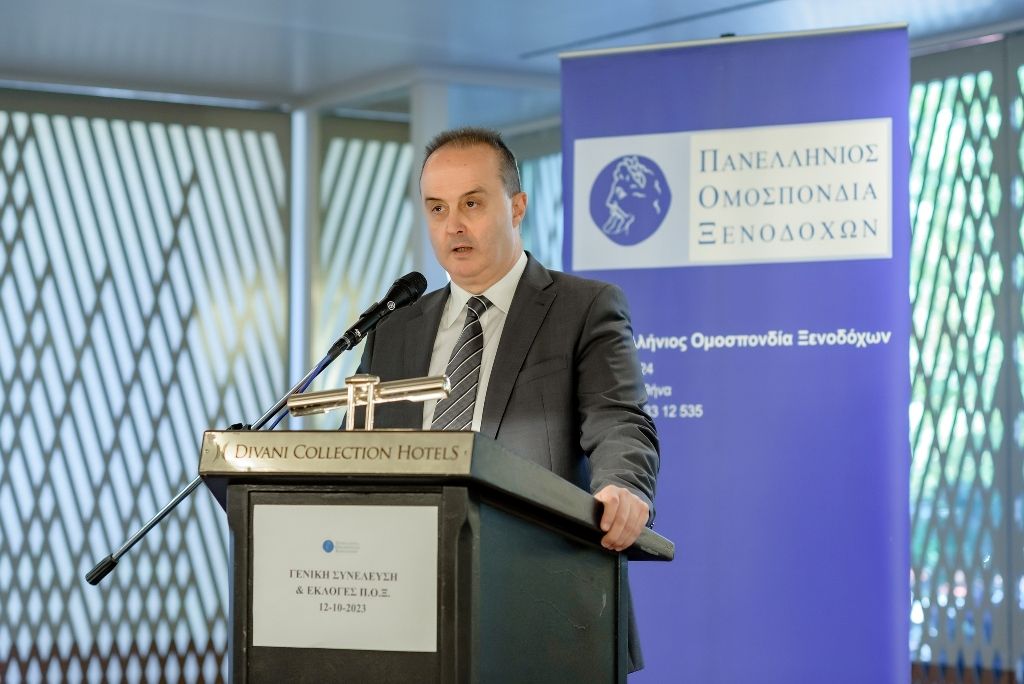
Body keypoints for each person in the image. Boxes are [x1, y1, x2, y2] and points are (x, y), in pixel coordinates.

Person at [355, 127, 659, 669]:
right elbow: (355, 452)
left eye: (472, 203)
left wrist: (623, 486)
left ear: (517, 207)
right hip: (402, 604)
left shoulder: (583, 308)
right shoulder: (394, 328)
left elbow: (618, 419)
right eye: (437, 208)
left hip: (542, 604)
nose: (453, 225)